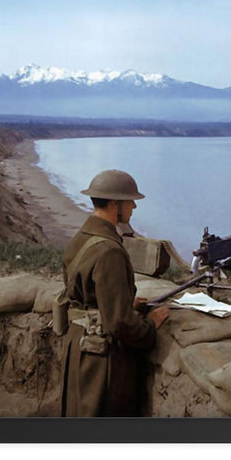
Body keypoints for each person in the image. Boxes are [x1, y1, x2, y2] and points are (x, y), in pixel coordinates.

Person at [59, 169, 170, 417]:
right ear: (114, 204)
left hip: (79, 346)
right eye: (130, 201)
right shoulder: (109, 250)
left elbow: (87, 293)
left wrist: (124, 304)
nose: (133, 207)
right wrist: (149, 326)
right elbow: (119, 323)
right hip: (100, 358)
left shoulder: (83, 238)